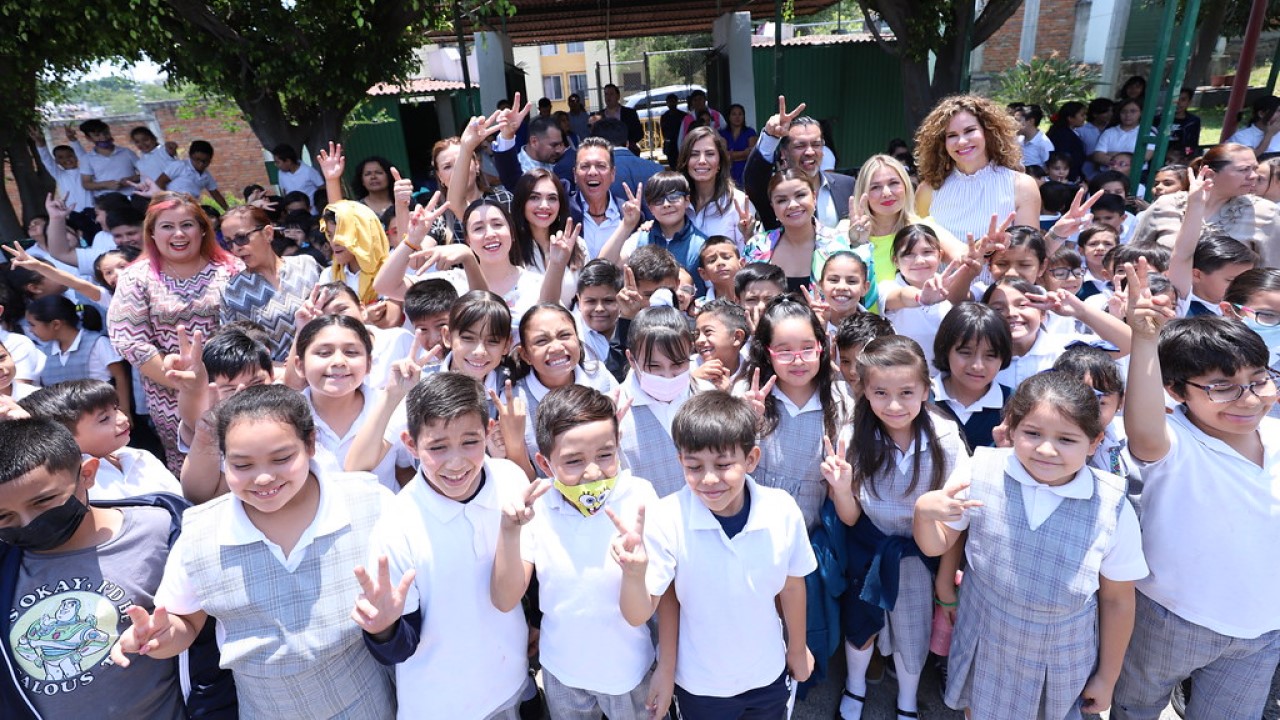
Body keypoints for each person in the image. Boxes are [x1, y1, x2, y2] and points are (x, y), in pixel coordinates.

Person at [112, 384, 398, 718]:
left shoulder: (369, 502)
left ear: (310, 444)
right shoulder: (202, 533)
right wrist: (159, 638)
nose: (263, 478)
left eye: (282, 459)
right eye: (242, 465)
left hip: (367, 704)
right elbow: (184, 622)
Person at [914, 370, 1147, 719]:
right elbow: (936, 545)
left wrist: (1107, 677)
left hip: (1061, 653)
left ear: (1094, 442)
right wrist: (923, 513)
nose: (1046, 449)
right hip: (985, 637)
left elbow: (1117, 600)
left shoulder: (1111, 505)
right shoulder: (980, 469)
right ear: (1011, 430)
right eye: (1033, 433)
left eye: (1066, 439)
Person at [1112, 265, 1280, 718]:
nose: (1248, 399)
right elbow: (1142, 427)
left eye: (1258, 380)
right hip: (1170, 616)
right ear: (1174, 390)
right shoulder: (1173, 442)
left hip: (1262, 632)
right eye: (1222, 388)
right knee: (1135, 707)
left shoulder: (1276, 435)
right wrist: (1143, 339)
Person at [611, 390, 816, 718]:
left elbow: (792, 586)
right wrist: (633, 575)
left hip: (768, 672)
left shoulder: (781, 509)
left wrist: (797, 647)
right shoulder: (667, 517)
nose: (708, 479)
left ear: (751, 459)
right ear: (680, 461)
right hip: (700, 684)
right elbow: (640, 614)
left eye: (723, 465)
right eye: (694, 466)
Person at [357, 372, 533, 719]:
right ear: (410, 444)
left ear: (488, 431)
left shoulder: (511, 479)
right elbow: (399, 648)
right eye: (437, 447)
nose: (455, 462)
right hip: (439, 705)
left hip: (511, 682)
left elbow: (531, 573)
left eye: (470, 442)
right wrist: (383, 631)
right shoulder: (396, 526)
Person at [0, 418, 200, 718]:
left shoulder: (161, 531)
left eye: (44, 501)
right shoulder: (6, 562)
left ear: (87, 475)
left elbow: (192, 624)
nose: (28, 523)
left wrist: (166, 636)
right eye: (4, 516)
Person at [490, 384, 669, 719]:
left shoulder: (639, 497)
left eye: (605, 455)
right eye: (573, 461)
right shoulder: (538, 506)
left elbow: (639, 614)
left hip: (629, 672)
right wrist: (510, 531)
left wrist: (634, 573)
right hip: (561, 671)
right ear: (544, 463)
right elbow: (505, 598)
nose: (593, 471)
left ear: (618, 446)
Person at [832, 335, 968, 720]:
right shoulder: (853, 436)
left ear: (926, 389)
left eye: (906, 392)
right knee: (861, 625)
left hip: (920, 553)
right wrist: (841, 488)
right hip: (869, 547)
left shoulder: (945, 437)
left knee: (913, 631)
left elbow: (956, 519)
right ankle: (855, 687)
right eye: (881, 393)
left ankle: (907, 699)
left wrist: (944, 578)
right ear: (864, 391)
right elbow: (850, 517)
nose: (894, 405)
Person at [107, 193, 241, 472]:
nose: (178, 234)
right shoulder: (136, 277)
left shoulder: (231, 269)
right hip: (170, 396)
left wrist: (220, 383)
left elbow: (249, 329)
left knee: (243, 456)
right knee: (195, 468)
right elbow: (129, 340)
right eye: (167, 226)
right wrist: (188, 385)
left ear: (202, 229)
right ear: (152, 233)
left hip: (233, 386)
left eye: (187, 225)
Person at [736, 294, 850, 531]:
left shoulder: (841, 401)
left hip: (809, 537)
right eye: (784, 351)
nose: (798, 361)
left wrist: (841, 484)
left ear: (821, 347)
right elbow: (726, 462)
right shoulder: (747, 393)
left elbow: (848, 512)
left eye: (808, 349)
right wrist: (746, 421)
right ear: (767, 352)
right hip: (747, 530)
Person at [19, 379, 179, 499]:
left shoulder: (141, 457)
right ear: (63, 437)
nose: (122, 419)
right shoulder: (77, 485)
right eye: (104, 419)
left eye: (116, 409)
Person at [507, 304, 618, 475]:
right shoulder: (515, 401)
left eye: (564, 335)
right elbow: (521, 477)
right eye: (541, 341)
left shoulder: (600, 377)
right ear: (525, 355)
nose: (557, 347)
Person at [914, 94, 1042, 243]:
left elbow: (1029, 252)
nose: (962, 141)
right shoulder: (928, 190)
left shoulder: (1022, 185)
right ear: (942, 143)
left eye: (969, 131)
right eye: (952, 135)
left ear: (988, 132)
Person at [1133, 144, 1280, 269]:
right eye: (1244, 170)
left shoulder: (1266, 212)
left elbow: (1271, 274)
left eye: (1254, 169)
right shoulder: (1166, 205)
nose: (1253, 176)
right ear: (1210, 174)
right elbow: (1133, 256)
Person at [218, 205, 322, 362]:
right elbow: (234, 351)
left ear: (268, 233)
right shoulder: (232, 291)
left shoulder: (307, 265)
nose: (235, 248)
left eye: (241, 238)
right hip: (276, 375)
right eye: (228, 243)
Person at [617, 306, 699, 497]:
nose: (667, 376)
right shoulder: (613, 411)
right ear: (631, 359)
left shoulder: (707, 395)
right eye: (654, 366)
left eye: (678, 364)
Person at [745, 169, 865, 299]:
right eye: (782, 200)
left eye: (800, 195)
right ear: (773, 207)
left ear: (814, 197)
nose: (792, 205)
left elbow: (865, 295)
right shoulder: (757, 246)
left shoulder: (839, 244)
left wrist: (860, 244)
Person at [744, 96, 855, 230]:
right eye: (800, 146)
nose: (810, 152)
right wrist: (770, 137)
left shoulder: (847, 185)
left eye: (816, 144)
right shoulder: (774, 189)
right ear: (784, 152)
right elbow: (753, 179)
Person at [931, 302, 1013, 450]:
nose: (977, 366)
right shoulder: (921, 398)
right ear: (945, 349)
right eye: (965, 353)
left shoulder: (1015, 404)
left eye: (990, 355)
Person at [24, 296, 127, 398]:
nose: (30, 330)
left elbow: (121, 377)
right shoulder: (44, 353)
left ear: (55, 324)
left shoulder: (98, 343)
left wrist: (124, 407)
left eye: (33, 325)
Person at [678, 126, 757, 249]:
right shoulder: (675, 202)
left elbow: (755, 255)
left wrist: (749, 236)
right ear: (685, 161)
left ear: (720, 162)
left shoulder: (738, 203)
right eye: (694, 154)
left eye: (710, 154)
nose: (702, 161)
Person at [32, 128, 95, 216]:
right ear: (56, 161)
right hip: (74, 214)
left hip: (94, 211)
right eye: (61, 157)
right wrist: (40, 142)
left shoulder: (87, 170)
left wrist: (72, 139)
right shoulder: (59, 175)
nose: (67, 159)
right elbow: (46, 159)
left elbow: (83, 157)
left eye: (70, 156)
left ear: (76, 156)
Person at [77, 119, 140, 199]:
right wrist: (105, 185)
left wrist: (131, 179)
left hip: (135, 196)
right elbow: (86, 184)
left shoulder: (127, 152)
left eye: (106, 133)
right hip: (106, 200)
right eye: (97, 135)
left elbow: (146, 173)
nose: (103, 137)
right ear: (88, 138)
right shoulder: (87, 159)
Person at [155, 141, 226, 209]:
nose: (201, 164)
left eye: (205, 161)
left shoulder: (206, 176)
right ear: (190, 155)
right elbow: (159, 182)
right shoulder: (180, 166)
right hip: (172, 205)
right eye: (197, 159)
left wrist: (228, 210)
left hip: (189, 207)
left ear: (210, 160)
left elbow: (216, 194)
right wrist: (166, 201)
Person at [1091, 98, 1153, 172]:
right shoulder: (1109, 132)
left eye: (1133, 111)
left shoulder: (1148, 134)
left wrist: (1112, 154)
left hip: (1136, 175)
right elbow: (1098, 156)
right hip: (1109, 174)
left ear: (1141, 113)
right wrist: (1128, 158)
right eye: (1124, 111)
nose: (1128, 115)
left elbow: (1145, 157)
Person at [1047, 101, 1088, 181]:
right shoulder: (1063, 134)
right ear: (1070, 118)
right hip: (1066, 177)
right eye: (1082, 115)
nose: (1085, 118)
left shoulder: (1066, 132)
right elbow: (1064, 158)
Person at [719, 103, 759, 186]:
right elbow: (724, 155)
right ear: (729, 117)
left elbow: (751, 154)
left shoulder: (750, 132)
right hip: (728, 172)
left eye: (740, 114)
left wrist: (732, 155)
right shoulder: (722, 134)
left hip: (746, 171)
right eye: (734, 114)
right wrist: (743, 153)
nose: (737, 117)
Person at [601, 83, 644, 154]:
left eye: (611, 94)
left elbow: (639, 133)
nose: (608, 97)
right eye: (606, 94)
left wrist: (628, 142)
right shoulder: (599, 116)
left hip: (627, 152)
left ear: (618, 96)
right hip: (606, 153)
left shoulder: (630, 113)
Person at [1015, 104, 1055, 170]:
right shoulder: (1019, 139)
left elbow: (1050, 170)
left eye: (1018, 120)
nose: (1014, 124)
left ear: (1031, 121)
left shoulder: (1044, 144)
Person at [660, 93, 688, 170]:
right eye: (669, 102)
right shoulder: (664, 116)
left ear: (676, 102)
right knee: (673, 165)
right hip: (670, 145)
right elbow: (664, 131)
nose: (671, 104)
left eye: (672, 102)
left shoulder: (683, 115)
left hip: (681, 142)